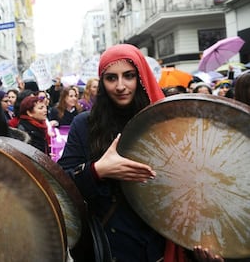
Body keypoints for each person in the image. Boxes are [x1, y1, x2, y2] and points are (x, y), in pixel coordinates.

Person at [57, 44, 225, 262]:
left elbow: (194, 187)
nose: (120, 86)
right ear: (102, 83)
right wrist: (98, 171)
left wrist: (202, 245)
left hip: (158, 246)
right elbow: (61, 187)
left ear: (141, 76)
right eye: (111, 78)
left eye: (128, 76)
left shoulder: (165, 120)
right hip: (111, 248)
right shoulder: (84, 124)